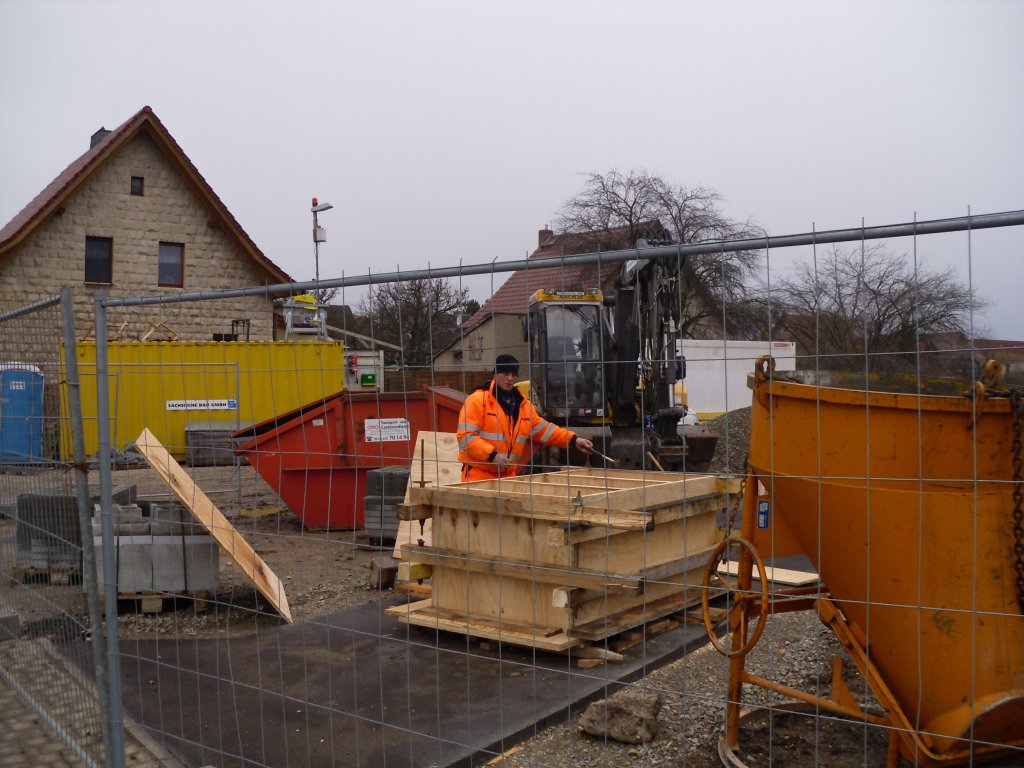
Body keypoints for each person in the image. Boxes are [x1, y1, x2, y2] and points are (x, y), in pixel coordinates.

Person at [458, 354, 595, 482]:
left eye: (513, 374)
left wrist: (574, 440)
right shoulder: (477, 401)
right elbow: (466, 437)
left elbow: (546, 431)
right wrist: (492, 456)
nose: (510, 378)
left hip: (507, 478)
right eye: (505, 374)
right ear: (495, 374)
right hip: (477, 477)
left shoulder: (523, 406)